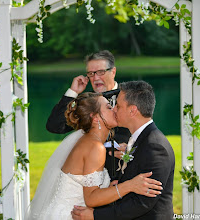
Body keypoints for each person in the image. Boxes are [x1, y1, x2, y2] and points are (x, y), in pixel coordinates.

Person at [27, 92, 163, 220]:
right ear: (96, 117)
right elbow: (91, 199)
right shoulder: (95, 147)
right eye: (109, 107)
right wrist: (130, 185)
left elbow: (86, 186)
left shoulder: (90, 142)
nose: (115, 109)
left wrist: (109, 188)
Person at [71, 81, 175, 220]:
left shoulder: (155, 147)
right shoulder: (141, 140)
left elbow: (142, 203)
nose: (114, 110)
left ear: (132, 110)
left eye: (118, 106)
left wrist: (95, 215)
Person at [46, 50, 131, 178]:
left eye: (101, 72)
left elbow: (143, 130)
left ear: (113, 72)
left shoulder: (131, 97)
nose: (96, 78)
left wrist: (131, 147)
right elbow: (55, 126)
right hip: (90, 177)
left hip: (124, 175)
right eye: (91, 73)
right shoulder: (86, 103)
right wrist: (73, 92)